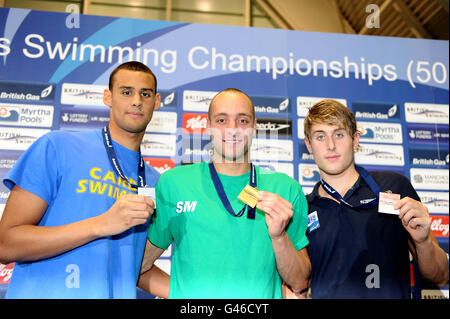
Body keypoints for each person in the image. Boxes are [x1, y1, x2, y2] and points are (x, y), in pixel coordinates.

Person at [0, 61, 169, 299]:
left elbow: (134, 267)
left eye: (145, 94)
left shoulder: (156, 182)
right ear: (108, 97)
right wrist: (100, 224)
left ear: (157, 101)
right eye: (126, 92)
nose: (136, 101)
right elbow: (6, 244)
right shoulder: (57, 148)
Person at [138, 88, 311, 298]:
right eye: (221, 120)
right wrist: (183, 295)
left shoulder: (285, 188)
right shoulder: (175, 183)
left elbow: (300, 282)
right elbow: (137, 266)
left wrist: (280, 237)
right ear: (209, 127)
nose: (233, 129)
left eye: (243, 120)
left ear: (255, 127)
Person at [299, 98, 448, 298]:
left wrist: (423, 243)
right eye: (320, 137)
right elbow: (298, 284)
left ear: (355, 139)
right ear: (309, 145)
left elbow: (441, 276)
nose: (331, 145)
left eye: (339, 134)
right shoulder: (304, 209)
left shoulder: (394, 187)